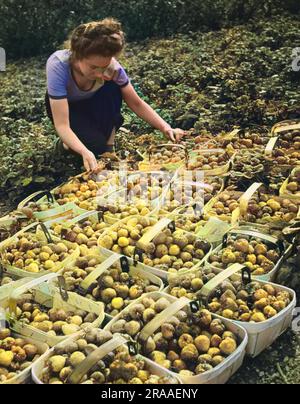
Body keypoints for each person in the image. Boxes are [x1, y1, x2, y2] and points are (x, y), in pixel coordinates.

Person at [45, 18, 185, 172]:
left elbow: (136, 103)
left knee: (112, 86)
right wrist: (84, 151)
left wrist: (165, 127)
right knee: (93, 147)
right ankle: (64, 145)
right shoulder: (58, 66)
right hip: (69, 107)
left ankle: (109, 146)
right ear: (78, 56)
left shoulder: (113, 69)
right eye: (93, 67)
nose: (99, 73)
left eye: (104, 66)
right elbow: (62, 125)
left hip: (93, 101)